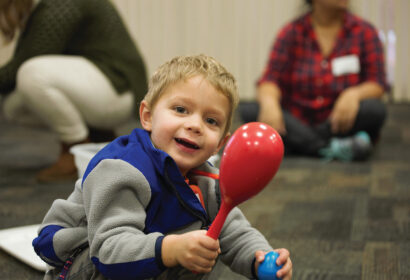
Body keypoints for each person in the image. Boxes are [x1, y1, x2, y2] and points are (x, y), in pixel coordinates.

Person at [32, 55, 293, 280]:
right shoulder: (122, 169)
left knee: (200, 244)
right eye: (181, 109)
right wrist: (171, 249)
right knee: (178, 246)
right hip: (84, 261)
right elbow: (109, 250)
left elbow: (235, 232)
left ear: (220, 145)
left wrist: (261, 259)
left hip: (142, 252)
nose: (195, 125)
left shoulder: (210, 181)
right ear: (147, 116)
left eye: (211, 120)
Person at [0, 0, 148, 182]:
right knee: (15, 106)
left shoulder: (61, 4)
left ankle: (75, 145)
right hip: (107, 88)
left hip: (118, 89)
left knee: (31, 73)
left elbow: (18, 69)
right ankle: (98, 137)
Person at [241, 0, 388, 161]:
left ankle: (296, 145)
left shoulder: (364, 31)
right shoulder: (292, 32)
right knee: (250, 110)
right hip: (297, 119)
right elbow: (269, 79)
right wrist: (269, 103)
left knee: (375, 110)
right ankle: (334, 148)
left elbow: (378, 83)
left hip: (340, 122)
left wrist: (354, 94)